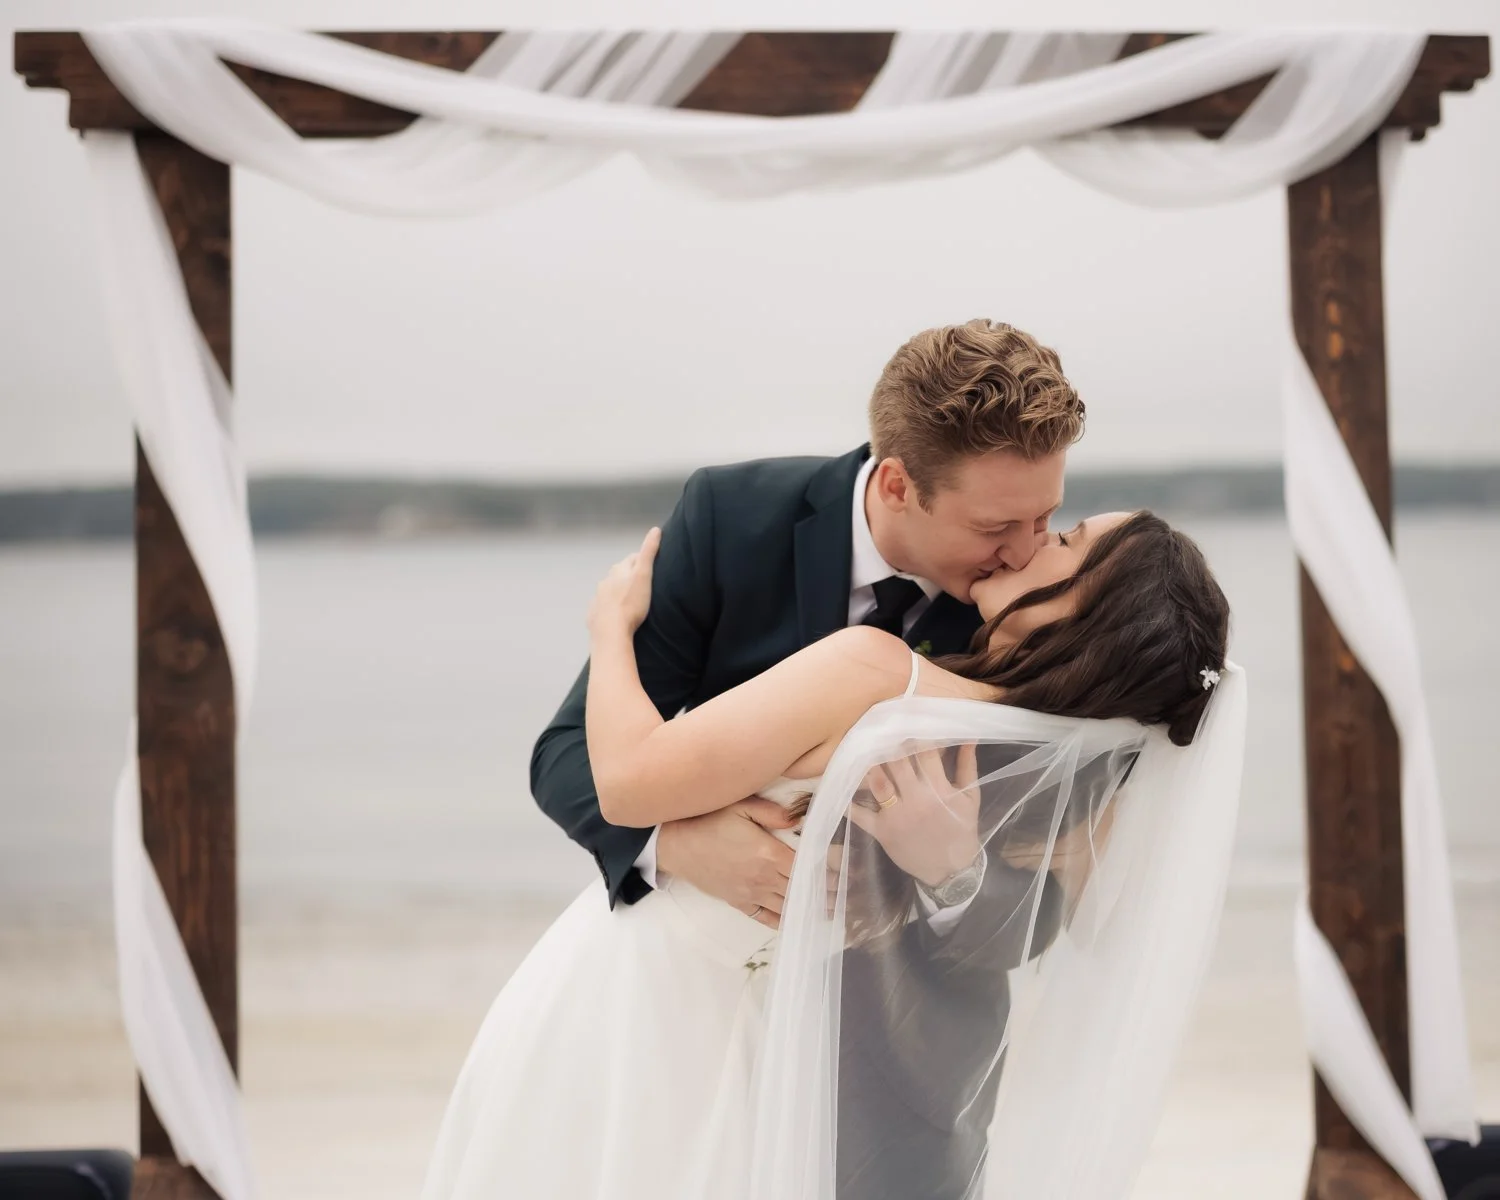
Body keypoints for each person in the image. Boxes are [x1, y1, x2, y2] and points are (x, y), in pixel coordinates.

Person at [419, 480, 1237, 1198]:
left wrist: (608, 631)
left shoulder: (900, 681)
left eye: (1063, 538)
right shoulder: (1039, 738)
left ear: (1093, 614)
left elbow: (628, 777)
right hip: (656, 989)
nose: (1029, 543)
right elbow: (606, 789)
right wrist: (676, 845)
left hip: (786, 1050)